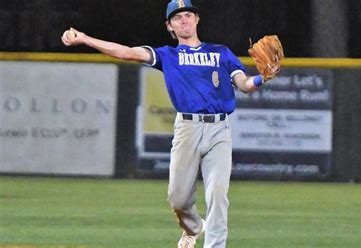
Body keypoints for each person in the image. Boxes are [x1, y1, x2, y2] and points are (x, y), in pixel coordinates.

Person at [61, 1, 276, 247]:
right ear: (170, 26)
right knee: (178, 198)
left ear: (197, 19)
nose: (184, 20)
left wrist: (262, 77)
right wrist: (86, 38)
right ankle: (194, 227)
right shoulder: (167, 55)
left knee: (218, 193)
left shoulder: (221, 53)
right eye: (177, 18)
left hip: (219, 129)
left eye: (188, 15)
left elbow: (244, 85)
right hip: (187, 128)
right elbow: (126, 52)